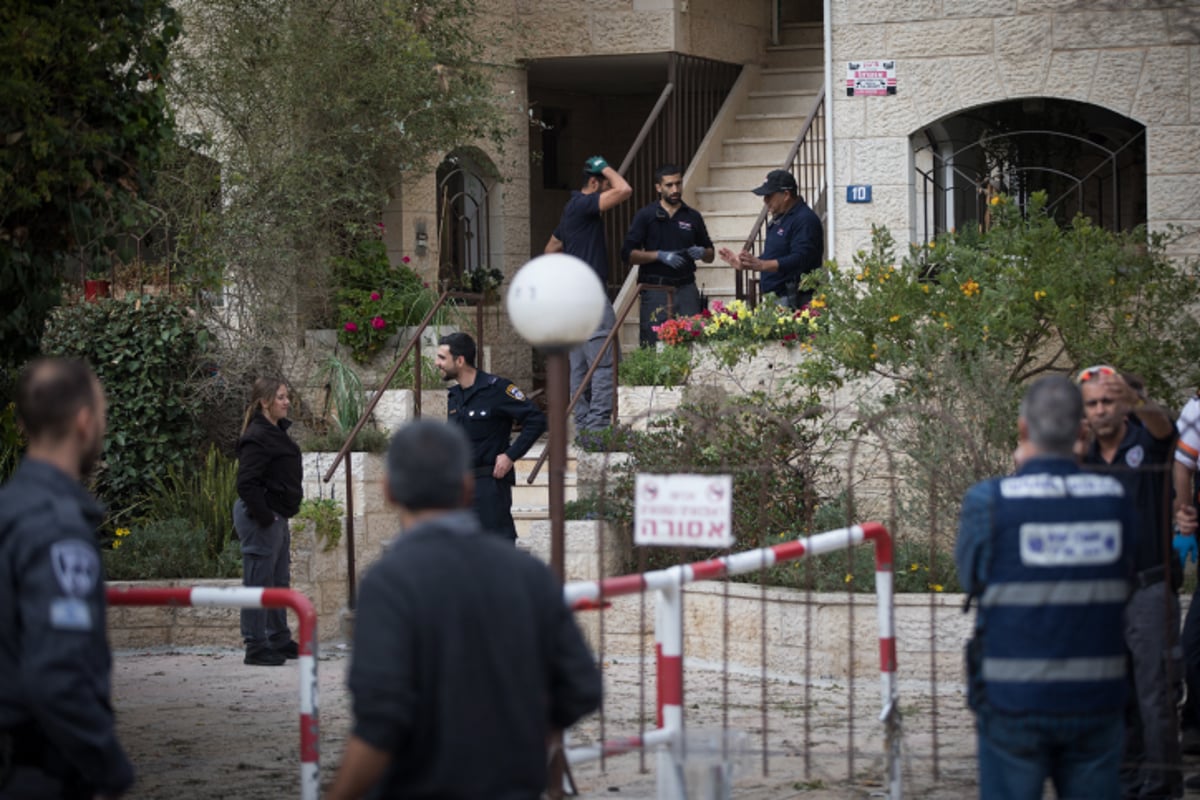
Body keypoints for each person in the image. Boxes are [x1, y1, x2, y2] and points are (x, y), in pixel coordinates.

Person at [326, 420, 602, 799]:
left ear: (388, 490)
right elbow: (581, 687)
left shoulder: (389, 584)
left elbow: (380, 725)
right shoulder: (529, 574)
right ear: (468, 486)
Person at [956, 374, 1135, 800]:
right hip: (1097, 699)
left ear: (1022, 430)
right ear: (1081, 432)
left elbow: (971, 579)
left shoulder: (989, 501)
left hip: (1012, 700)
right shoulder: (1115, 499)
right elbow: (1125, 577)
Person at [0, 358, 134, 798]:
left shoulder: (11, 509)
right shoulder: (56, 527)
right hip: (38, 772)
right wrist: (110, 768)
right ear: (83, 422)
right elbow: (58, 676)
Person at [1078, 366, 1181, 800]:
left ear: (1122, 403)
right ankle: (1123, 783)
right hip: (1101, 597)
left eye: (1108, 401)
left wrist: (1140, 402)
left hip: (1149, 590)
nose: (1101, 410)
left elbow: (1165, 426)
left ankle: (1161, 789)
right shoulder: (1080, 457)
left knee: (1155, 698)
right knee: (1113, 696)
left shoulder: (1148, 442)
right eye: (1093, 403)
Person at [545, 154, 632, 436]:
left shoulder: (570, 211)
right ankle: (596, 429)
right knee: (603, 364)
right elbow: (625, 190)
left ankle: (583, 429)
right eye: (603, 184)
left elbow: (550, 249)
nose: (608, 190)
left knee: (580, 368)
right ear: (594, 183)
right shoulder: (583, 204)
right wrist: (605, 166)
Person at [435, 332, 547, 542]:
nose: (436, 363)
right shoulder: (454, 396)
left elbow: (536, 420)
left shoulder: (497, 389)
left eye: (442, 358)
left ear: (460, 361)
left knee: (497, 549)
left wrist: (510, 455)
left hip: (489, 485)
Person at [233, 377, 303, 667]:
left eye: (287, 397)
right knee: (258, 582)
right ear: (265, 402)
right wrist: (266, 517)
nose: (287, 402)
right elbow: (246, 483)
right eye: (281, 397)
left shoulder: (274, 431)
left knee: (278, 580)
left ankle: (278, 637)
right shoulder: (257, 435)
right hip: (261, 517)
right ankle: (256, 644)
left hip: (276, 516)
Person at [621, 163, 714, 345]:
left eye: (678, 184)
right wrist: (658, 255)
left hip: (686, 287)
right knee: (654, 344)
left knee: (694, 342)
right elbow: (627, 254)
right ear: (658, 187)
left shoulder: (692, 216)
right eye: (669, 185)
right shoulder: (646, 215)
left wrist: (703, 252)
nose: (675, 189)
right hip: (656, 289)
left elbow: (710, 253)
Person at [717, 168, 824, 309]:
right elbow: (775, 255)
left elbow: (801, 258)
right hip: (776, 298)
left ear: (786, 195)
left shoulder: (805, 219)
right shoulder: (779, 219)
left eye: (769, 196)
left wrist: (762, 265)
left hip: (795, 300)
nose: (765, 201)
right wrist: (747, 263)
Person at [1171, 391, 1200, 786]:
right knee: (1192, 645)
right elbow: (1183, 463)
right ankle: (1194, 721)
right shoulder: (1197, 409)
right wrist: (1184, 512)